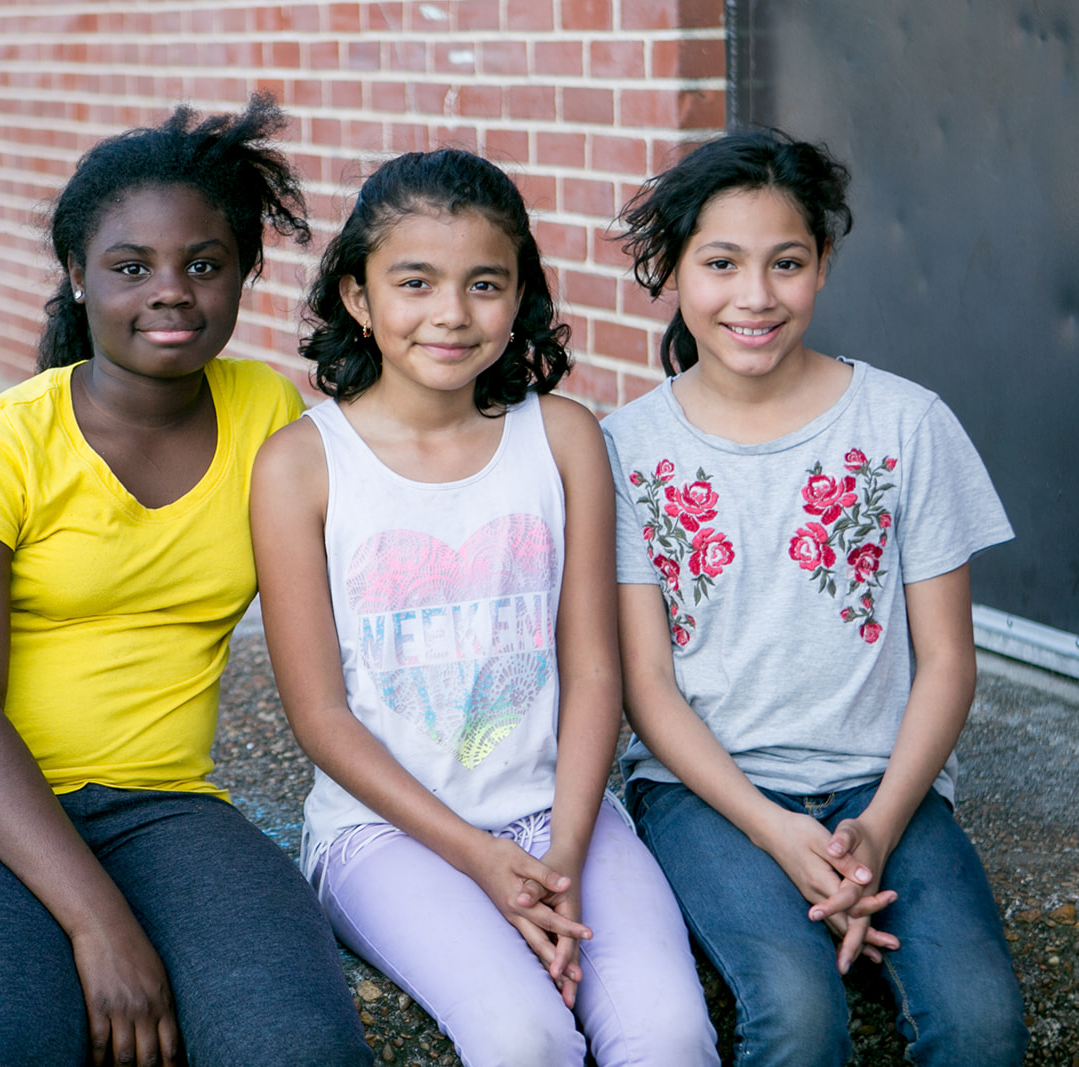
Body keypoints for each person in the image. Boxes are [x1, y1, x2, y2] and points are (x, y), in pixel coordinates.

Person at [0, 97, 372, 1067]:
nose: (170, 291)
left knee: (299, 1046)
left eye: (204, 264)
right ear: (77, 277)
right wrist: (99, 922)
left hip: (164, 804)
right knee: (0, 1046)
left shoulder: (265, 409)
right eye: (132, 267)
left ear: (242, 275)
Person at [249, 148, 717, 1067]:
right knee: (522, 1036)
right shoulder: (303, 465)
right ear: (357, 295)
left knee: (668, 1035)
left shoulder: (567, 437)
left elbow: (592, 670)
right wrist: (478, 857)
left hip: (560, 814)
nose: (452, 314)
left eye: (485, 283)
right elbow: (319, 715)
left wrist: (567, 855)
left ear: (521, 296)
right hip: (387, 834)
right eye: (414, 282)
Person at [603, 128, 1029, 1067]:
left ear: (824, 264)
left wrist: (876, 827)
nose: (755, 296)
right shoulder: (625, 449)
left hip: (887, 788)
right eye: (720, 263)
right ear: (673, 269)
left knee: (980, 1022)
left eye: (786, 262)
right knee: (797, 1013)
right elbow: (648, 688)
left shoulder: (907, 423)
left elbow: (949, 662)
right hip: (705, 793)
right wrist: (775, 829)